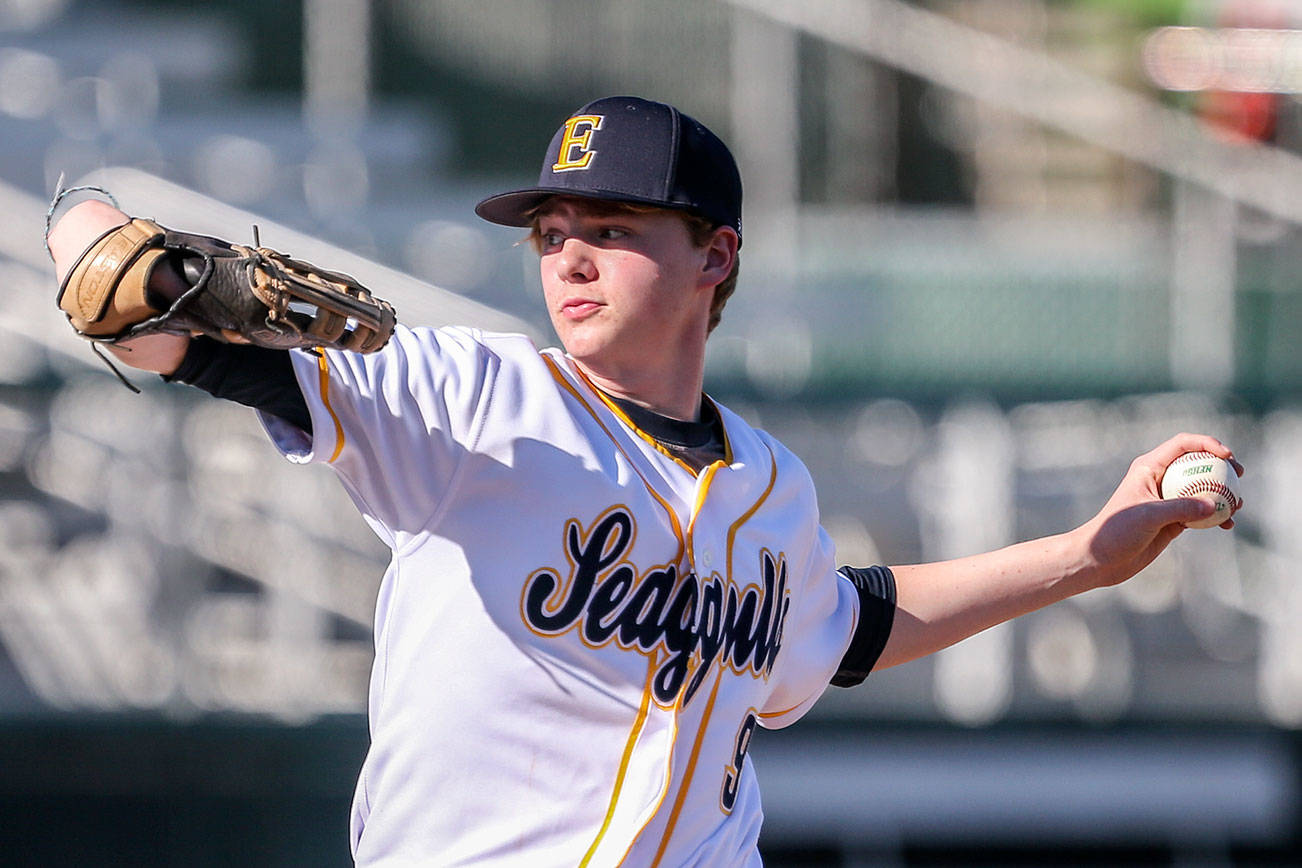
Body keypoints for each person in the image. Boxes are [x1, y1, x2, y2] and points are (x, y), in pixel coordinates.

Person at [47, 95, 1240, 867]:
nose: (567, 250)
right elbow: (169, 340)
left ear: (715, 255)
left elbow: (849, 626)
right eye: (550, 228)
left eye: (610, 223)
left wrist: (1092, 552)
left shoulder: (774, 486)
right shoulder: (462, 395)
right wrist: (94, 238)